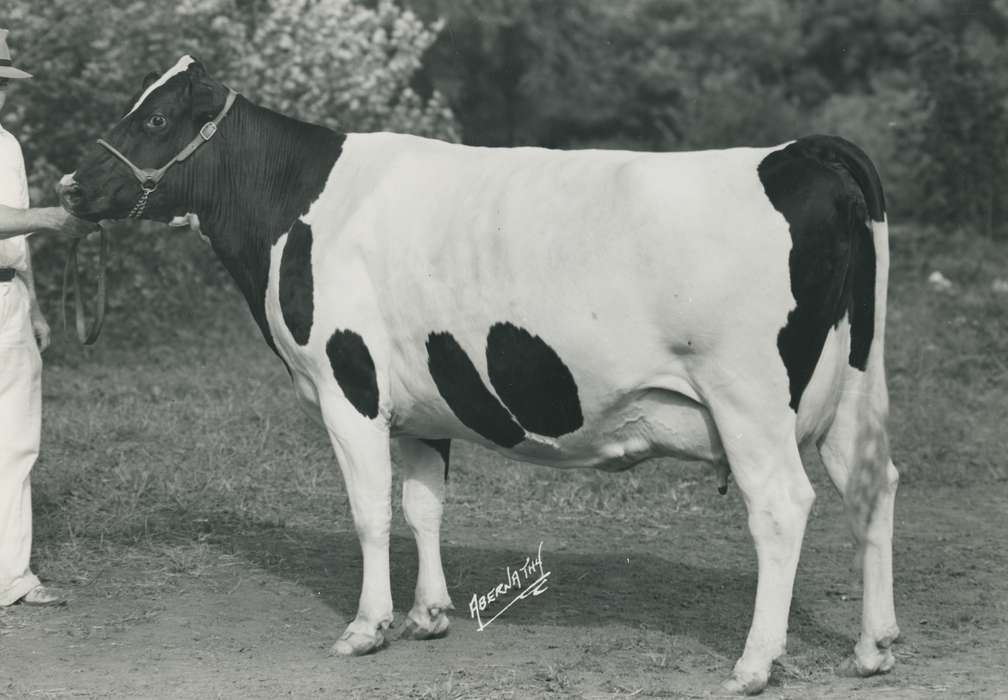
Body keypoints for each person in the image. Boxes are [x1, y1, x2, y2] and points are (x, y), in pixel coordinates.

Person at [1, 28, 97, 607]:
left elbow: (18, 233)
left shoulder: (7, 144)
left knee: (15, 441)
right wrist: (54, 216)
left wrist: (33, 304)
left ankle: (11, 574)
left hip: (7, 299)